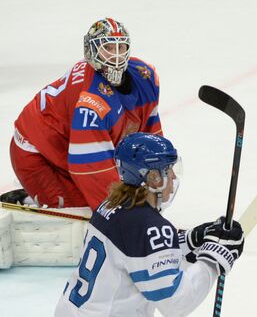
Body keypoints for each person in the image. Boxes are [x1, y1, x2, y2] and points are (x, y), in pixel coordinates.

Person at [55, 132, 244, 316]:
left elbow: (140, 250)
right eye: (169, 171)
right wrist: (214, 258)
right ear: (154, 178)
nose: (174, 179)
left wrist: (190, 240)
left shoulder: (111, 204)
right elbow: (176, 303)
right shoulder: (148, 226)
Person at [0, 18, 163, 210]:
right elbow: (92, 173)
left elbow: (150, 138)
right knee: (84, 210)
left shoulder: (146, 76)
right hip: (36, 153)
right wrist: (126, 214)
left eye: (121, 48)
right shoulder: (92, 101)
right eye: (108, 48)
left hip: (68, 145)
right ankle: (30, 198)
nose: (116, 56)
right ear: (91, 50)